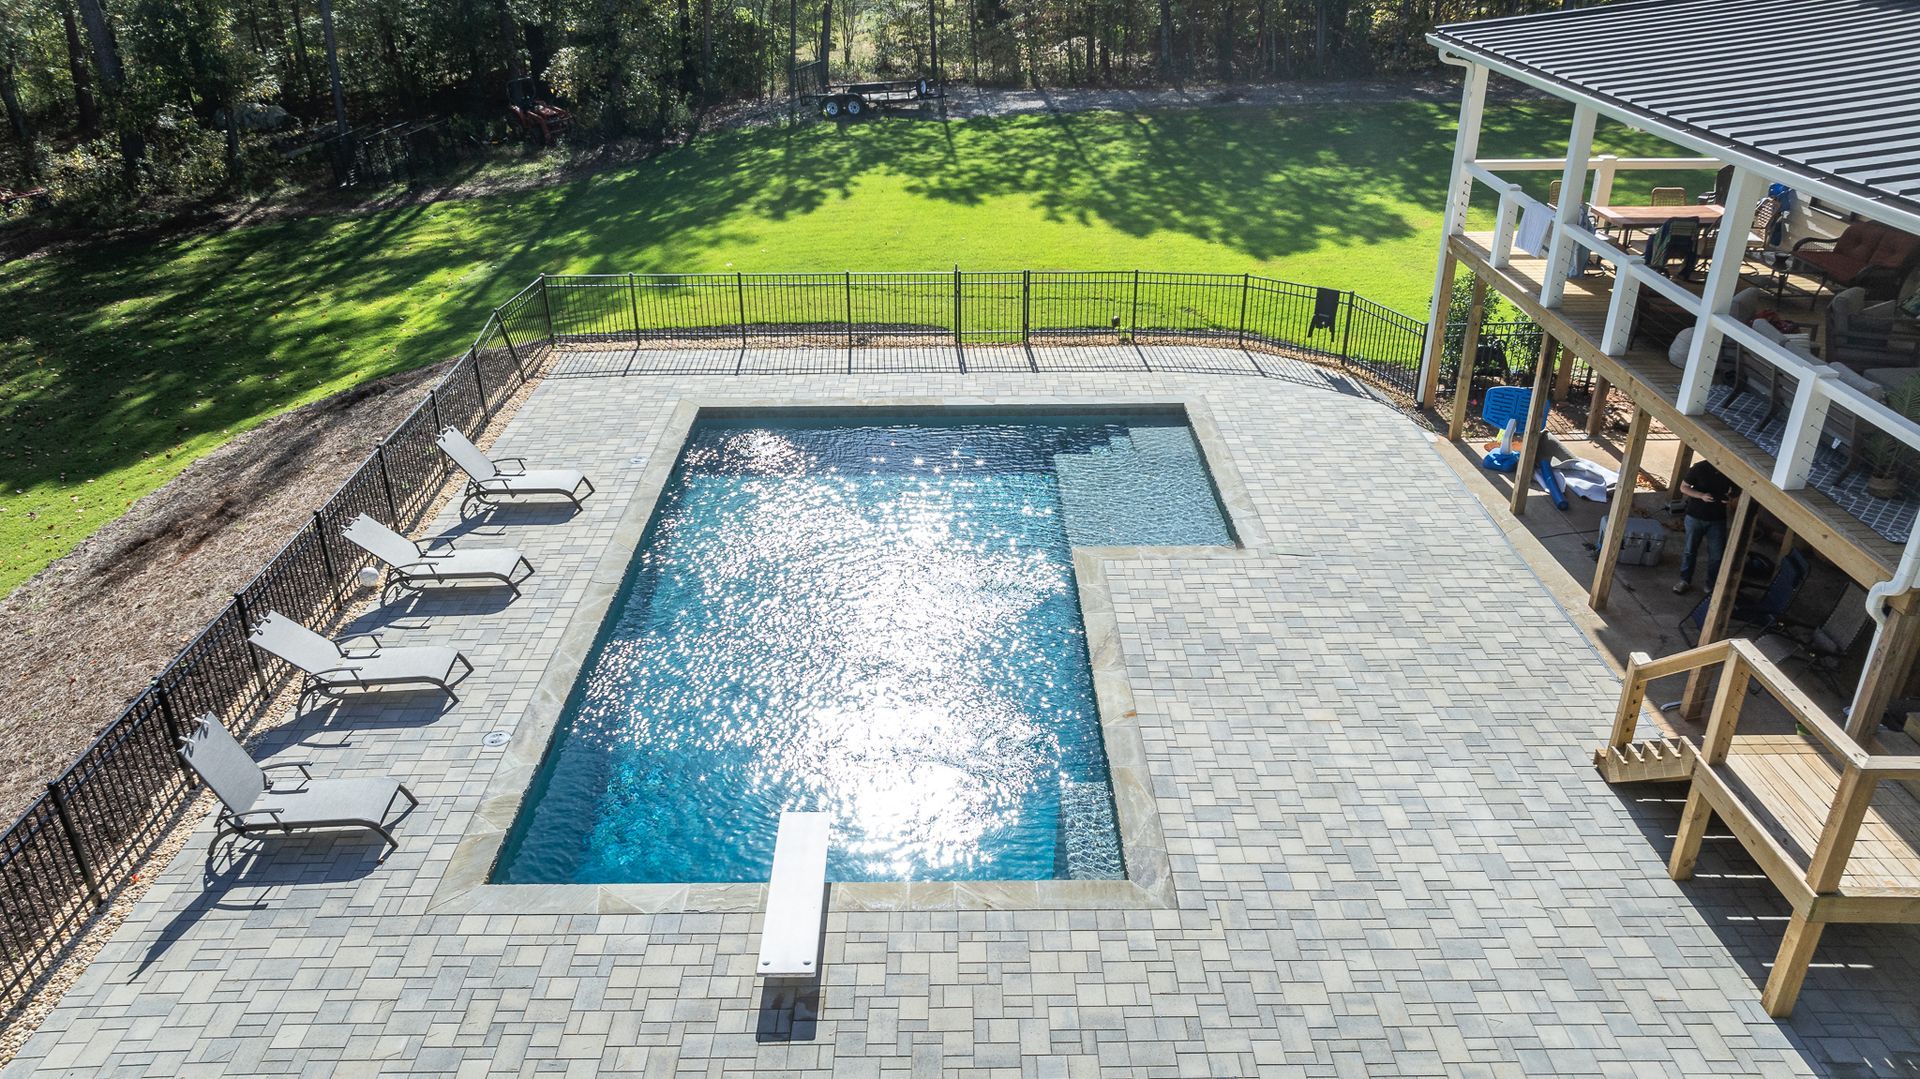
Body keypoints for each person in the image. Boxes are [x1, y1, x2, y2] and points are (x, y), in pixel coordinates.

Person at [1674, 459, 1735, 594]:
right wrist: (1701, 495)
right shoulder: (1700, 467)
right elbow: (1683, 487)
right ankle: (1684, 580)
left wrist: (1729, 499)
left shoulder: (1732, 470)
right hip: (1695, 516)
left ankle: (1711, 585)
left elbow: (1736, 492)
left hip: (1717, 519)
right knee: (1690, 550)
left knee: (1717, 555)